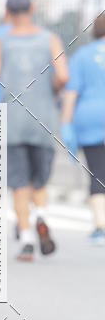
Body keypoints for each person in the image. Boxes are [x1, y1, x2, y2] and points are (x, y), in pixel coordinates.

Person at [0, 0, 69, 261]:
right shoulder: (51, 39)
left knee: (19, 183)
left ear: (8, 12)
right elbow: (63, 77)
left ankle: (27, 239)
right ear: (32, 9)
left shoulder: (2, 43)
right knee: (39, 180)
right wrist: (51, 89)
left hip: (13, 122)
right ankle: (41, 215)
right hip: (43, 119)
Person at [61, 14, 105, 244]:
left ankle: (100, 226)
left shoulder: (83, 56)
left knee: (98, 172)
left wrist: (67, 125)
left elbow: (71, 94)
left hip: (90, 118)